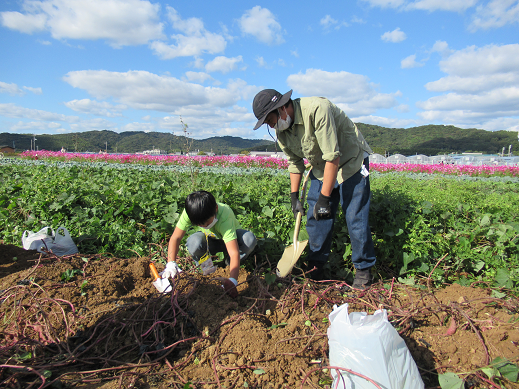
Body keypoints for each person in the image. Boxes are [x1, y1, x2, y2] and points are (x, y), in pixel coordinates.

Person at [252, 89, 376, 289]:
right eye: (267, 123)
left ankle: (363, 272)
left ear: (282, 108)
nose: (271, 125)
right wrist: (294, 197)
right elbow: (294, 163)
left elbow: (332, 156)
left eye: (270, 119)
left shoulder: (318, 109)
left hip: (350, 161)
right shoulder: (282, 132)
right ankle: (316, 271)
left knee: (355, 217)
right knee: (316, 219)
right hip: (321, 168)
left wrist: (324, 199)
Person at [161, 190, 257, 297]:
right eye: (199, 225)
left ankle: (228, 266)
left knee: (248, 240)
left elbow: (234, 252)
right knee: (194, 242)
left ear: (215, 209)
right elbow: (176, 237)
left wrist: (233, 280)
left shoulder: (224, 215)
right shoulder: (192, 211)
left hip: (232, 241)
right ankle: (207, 271)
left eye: (207, 223)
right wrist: (171, 263)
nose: (203, 226)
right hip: (210, 241)